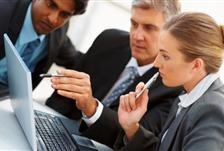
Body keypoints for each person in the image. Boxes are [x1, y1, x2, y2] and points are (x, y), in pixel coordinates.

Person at [47, 0, 183, 148]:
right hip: (57, 133)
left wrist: (92, 108)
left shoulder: (172, 86)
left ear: (171, 34)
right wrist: (46, 125)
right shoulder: (108, 40)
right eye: (134, 24)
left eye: (149, 28)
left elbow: (134, 137)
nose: (137, 36)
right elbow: (62, 97)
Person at [116, 12, 224, 151]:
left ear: (196, 65)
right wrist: (131, 127)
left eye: (165, 56)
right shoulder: (188, 96)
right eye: (159, 53)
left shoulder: (212, 111)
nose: (156, 63)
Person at [0, 0, 89, 96]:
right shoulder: (3, 11)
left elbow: (75, 59)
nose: (53, 19)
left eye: (64, 15)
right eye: (51, 5)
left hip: (14, 101)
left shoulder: (59, 31)